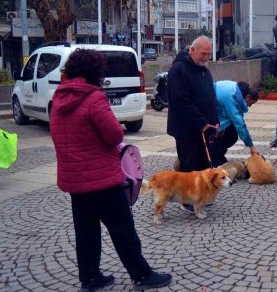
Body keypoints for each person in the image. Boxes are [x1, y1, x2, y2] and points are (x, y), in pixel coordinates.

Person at [49, 50, 171, 291]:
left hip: (75, 180)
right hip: (101, 179)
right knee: (122, 229)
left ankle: (90, 277)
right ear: (95, 72)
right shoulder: (94, 98)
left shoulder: (59, 98)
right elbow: (114, 134)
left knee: (86, 232)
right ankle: (142, 275)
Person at [167, 36, 219, 172]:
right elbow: (181, 101)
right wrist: (200, 122)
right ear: (192, 50)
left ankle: (201, 194)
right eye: (203, 54)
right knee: (189, 170)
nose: (206, 58)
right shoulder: (178, 70)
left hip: (206, 129)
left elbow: (210, 97)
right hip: (187, 130)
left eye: (209, 54)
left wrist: (214, 121)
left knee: (204, 169)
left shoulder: (204, 70)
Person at [213, 80, 260, 166]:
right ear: (248, 97)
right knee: (229, 134)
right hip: (209, 110)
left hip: (216, 109)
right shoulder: (233, 98)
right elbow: (240, 124)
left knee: (227, 132)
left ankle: (219, 155)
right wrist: (251, 146)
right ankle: (216, 159)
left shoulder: (237, 90)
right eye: (251, 103)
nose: (250, 106)